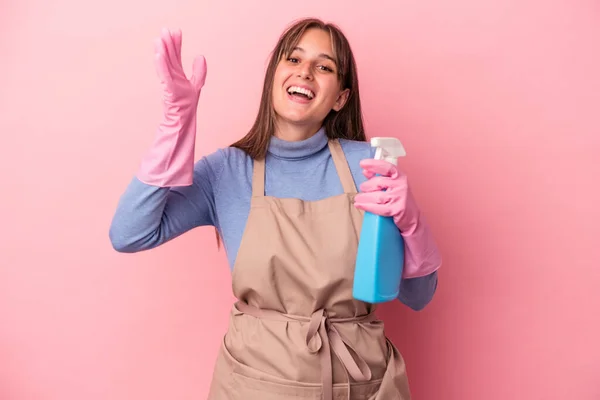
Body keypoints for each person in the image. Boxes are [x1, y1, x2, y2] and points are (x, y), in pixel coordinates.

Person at [109, 17, 442, 400]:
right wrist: (176, 123)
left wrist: (412, 224)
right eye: (294, 59)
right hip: (254, 384)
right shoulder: (227, 171)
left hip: (359, 384)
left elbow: (418, 297)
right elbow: (129, 233)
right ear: (273, 77)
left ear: (340, 98)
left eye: (324, 66)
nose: (306, 73)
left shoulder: (368, 165)